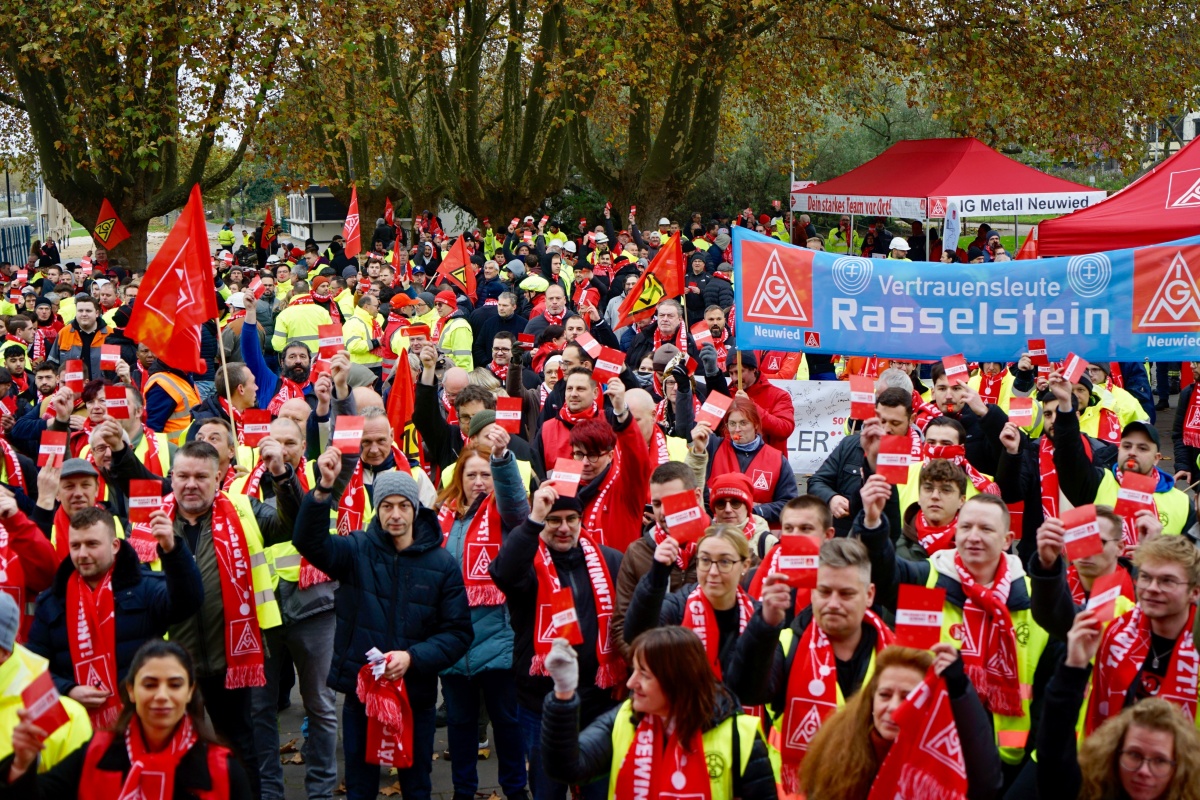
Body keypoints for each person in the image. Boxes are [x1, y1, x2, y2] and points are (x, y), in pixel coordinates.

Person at [293, 454, 473, 800]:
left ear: (415, 510)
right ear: (377, 509)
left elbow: (458, 632)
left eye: (403, 506)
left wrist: (413, 657)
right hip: (362, 695)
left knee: (416, 783)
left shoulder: (441, 564)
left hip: (415, 694)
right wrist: (322, 490)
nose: (394, 514)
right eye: (386, 506)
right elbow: (309, 543)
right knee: (360, 785)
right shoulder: (355, 550)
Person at [856, 468, 1052, 769]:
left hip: (1007, 759)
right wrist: (872, 522)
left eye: (986, 529)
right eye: (966, 527)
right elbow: (882, 578)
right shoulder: (932, 579)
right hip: (930, 747)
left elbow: (1047, 692)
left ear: (1006, 539)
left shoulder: (1032, 599)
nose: (973, 537)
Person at [489, 482, 624, 800]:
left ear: (581, 519)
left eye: (570, 519)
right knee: (547, 791)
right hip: (541, 705)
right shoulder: (527, 566)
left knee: (598, 791)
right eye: (553, 520)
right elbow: (502, 573)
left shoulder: (610, 561)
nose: (563, 528)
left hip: (598, 704)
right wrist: (532, 520)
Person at [732, 538, 894, 791]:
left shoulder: (896, 654)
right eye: (824, 591)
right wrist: (764, 624)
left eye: (846, 594)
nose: (833, 603)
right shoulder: (786, 644)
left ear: (869, 594)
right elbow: (746, 690)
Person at [538, 628, 776, 800]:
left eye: (645, 675)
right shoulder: (626, 717)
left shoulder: (740, 735)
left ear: (678, 682)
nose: (631, 683)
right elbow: (567, 768)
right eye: (634, 671)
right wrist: (563, 693)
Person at [25, 506, 203, 730]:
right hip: (78, 729)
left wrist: (172, 549)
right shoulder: (51, 601)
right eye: (75, 546)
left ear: (115, 545)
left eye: (92, 544)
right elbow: (32, 668)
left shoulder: (145, 587)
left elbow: (189, 602)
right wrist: (67, 690)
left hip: (143, 723)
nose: (82, 554)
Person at [2, 639, 254, 798]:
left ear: (189, 692)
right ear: (131, 691)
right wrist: (22, 765)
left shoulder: (221, 770)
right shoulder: (96, 755)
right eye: (150, 684)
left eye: (175, 685)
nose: (161, 696)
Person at [434, 435, 529, 800]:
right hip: (453, 639)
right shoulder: (442, 517)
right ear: (459, 478)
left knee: (506, 722)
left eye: (485, 475)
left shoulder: (506, 516)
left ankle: (515, 790)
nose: (478, 482)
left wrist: (503, 461)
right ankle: (463, 790)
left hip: (499, 639)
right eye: (471, 475)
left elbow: (518, 504)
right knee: (459, 724)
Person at [798, 645, 1002, 800]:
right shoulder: (836, 745)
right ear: (871, 698)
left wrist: (959, 687)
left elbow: (987, 784)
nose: (894, 707)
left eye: (909, 697)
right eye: (885, 695)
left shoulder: (945, 749)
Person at [1037, 611, 1200, 800]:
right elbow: (1054, 745)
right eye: (1134, 755)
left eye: (1160, 760)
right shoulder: (1085, 792)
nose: (1144, 771)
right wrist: (1074, 665)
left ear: (1179, 767)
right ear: (1114, 755)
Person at [1048, 369, 1197, 549]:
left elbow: (1189, 564)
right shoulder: (1099, 482)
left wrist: (1154, 551)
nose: (1132, 452)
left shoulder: (1181, 504)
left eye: (1142, 448)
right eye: (1126, 446)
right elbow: (1068, 457)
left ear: (1157, 458)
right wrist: (1065, 405)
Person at [1081, 535, 1200, 734]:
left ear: (1194, 592)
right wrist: (1047, 569)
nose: (1152, 588)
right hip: (1106, 754)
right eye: (1145, 577)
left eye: (1167, 581)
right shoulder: (1114, 623)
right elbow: (1056, 615)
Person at [623, 527, 766, 682]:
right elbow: (637, 636)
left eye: (724, 562)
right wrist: (657, 575)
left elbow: (762, 687)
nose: (712, 571)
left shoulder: (760, 616)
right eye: (705, 560)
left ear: (745, 565)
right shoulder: (679, 606)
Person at [700, 396, 797, 525]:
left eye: (743, 423)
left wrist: (755, 510)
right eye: (732, 423)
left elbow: (789, 504)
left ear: (756, 424)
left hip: (758, 535)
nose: (737, 429)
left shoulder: (777, 459)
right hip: (719, 533)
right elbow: (686, 428)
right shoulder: (713, 447)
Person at [725, 349, 795, 453]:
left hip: (768, 464)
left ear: (754, 369)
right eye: (731, 373)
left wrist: (752, 406)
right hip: (732, 463)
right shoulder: (726, 394)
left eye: (739, 372)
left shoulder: (779, 396)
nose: (735, 378)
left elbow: (784, 429)